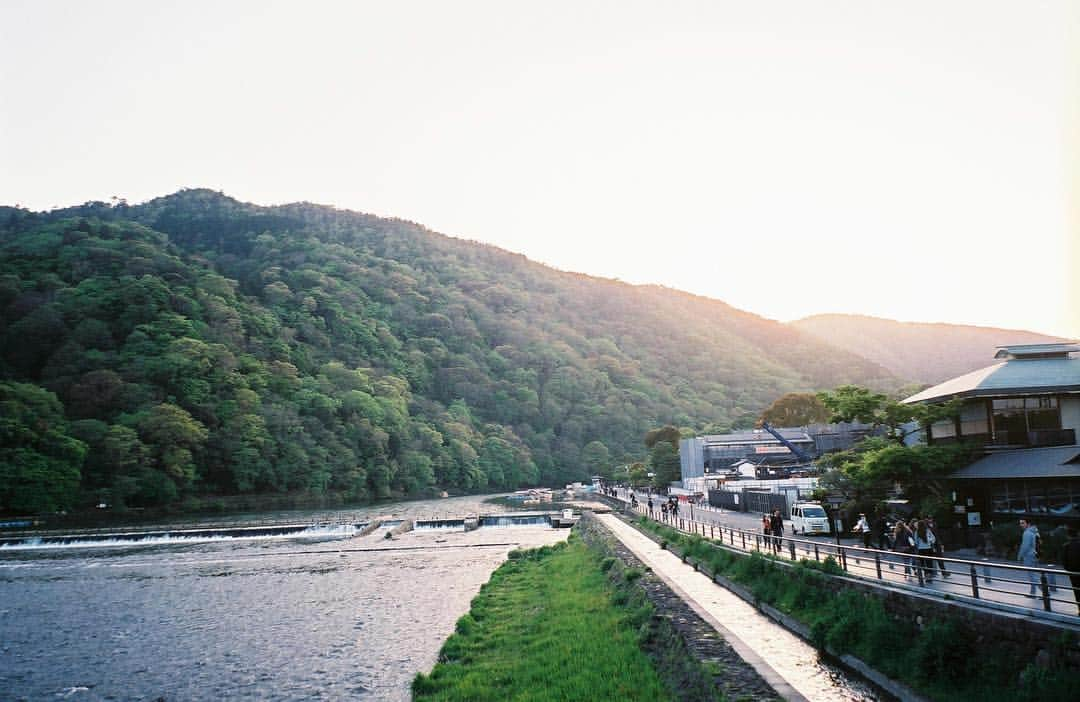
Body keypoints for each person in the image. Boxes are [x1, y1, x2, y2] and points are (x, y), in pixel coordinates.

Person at [1018, 519, 1040, 597]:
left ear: (1028, 523)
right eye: (1020, 523)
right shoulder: (1034, 531)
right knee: (1033, 574)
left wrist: (1020, 556)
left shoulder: (1027, 533)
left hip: (1028, 556)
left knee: (1032, 575)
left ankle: (1046, 593)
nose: (1021, 525)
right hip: (1034, 554)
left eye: (1023, 523)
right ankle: (1032, 592)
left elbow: (1025, 546)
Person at [1062, 524, 1080, 616]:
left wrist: (1069, 569)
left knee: (1077, 591)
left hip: (1073, 573)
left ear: (1068, 536)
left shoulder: (1066, 546)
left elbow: (1064, 562)